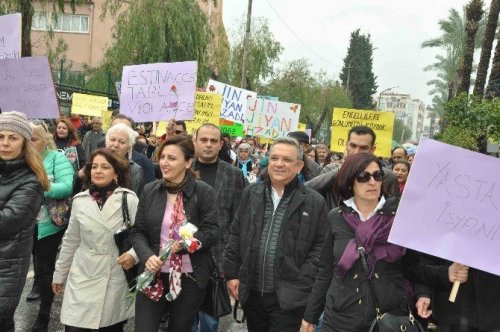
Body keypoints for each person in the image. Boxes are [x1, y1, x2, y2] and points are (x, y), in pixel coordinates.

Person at [302, 153, 430, 332]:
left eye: (378, 176)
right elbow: (325, 271)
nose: (372, 182)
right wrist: (311, 315)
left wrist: (429, 288)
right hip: (340, 317)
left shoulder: (400, 217)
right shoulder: (335, 218)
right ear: (349, 181)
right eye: (364, 176)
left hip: (387, 320)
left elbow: (416, 267)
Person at [223, 137, 329, 332]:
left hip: (289, 300)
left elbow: (320, 250)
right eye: (274, 158)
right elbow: (236, 234)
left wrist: (302, 280)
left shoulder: (315, 202)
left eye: (287, 160)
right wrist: (232, 273)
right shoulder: (251, 193)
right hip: (253, 295)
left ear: (299, 166)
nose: (279, 164)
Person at [130, 135, 219, 332]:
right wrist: (147, 256)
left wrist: (188, 243)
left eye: (172, 158)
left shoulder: (204, 192)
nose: (164, 162)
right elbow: (137, 231)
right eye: (162, 157)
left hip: (189, 278)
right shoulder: (149, 190)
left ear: (188, 162)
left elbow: (212, 231)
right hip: (152, 274)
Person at [52, 148, 139, 331]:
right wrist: (60, 274)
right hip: (82, 272)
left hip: (113, 272)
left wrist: (133, 255)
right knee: (74, 326)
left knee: (108, 327)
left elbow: (142, 234)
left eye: (105, 167)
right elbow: (71, 240)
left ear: (116, 172)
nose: (98, 171)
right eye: (94, 167)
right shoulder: (80, 200)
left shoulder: (128, 199)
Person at [191, 124, 247, 332]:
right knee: (183, 316)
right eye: (203, 140)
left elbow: (239, 219)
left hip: (217, 256)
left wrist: (234, 261)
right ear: (194, 141)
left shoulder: (233, 175)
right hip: (183, 253)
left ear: (220, 144)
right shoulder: (183, 168)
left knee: (209, 318)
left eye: (213, 141)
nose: (208, 145)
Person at [0, 111, 50, 332]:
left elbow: (6, 223)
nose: (5, 143)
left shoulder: (31, 180)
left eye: (13, 137)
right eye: (0, 137)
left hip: (5, 270)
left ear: (24, 143)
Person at [29, 120, 75, 332]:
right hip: (23, 223)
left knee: (45, 267)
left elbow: (67, 186)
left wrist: (38, 188)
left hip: (49, 224)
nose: (29, 143)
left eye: (34, 139)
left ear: (46, 140)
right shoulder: (19, 158)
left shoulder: (58, 157)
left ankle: (44, 315)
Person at [306, 125, 400, 210]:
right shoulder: (330, 170)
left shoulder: (386, 176)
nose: (356, 152)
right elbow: (305, 190)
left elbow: (393, 211)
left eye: (363, 148)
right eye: (353, 146)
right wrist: (341, 170)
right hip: (335, 227)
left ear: (372, 149)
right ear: (346, 145)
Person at [105, 123, 145, 195]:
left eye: (122, 142)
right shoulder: (95, 164)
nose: (116, 145)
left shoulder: (135, 170)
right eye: (112, 140)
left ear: (129, 148)